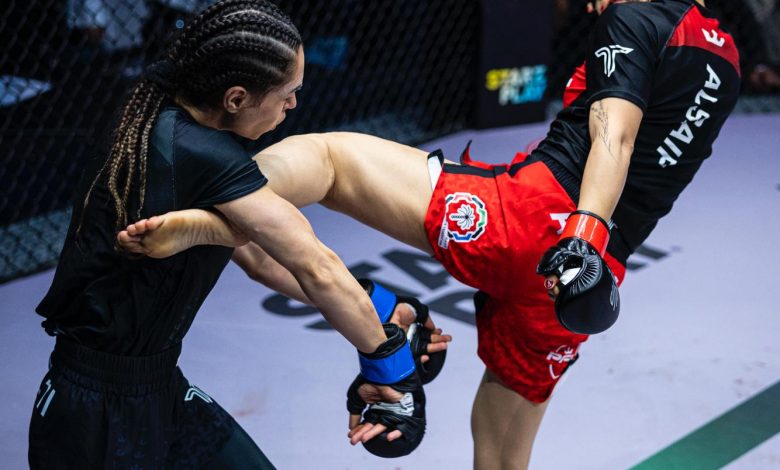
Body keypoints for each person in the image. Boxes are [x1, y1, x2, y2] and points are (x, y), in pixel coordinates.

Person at [119, 0, 741, 467]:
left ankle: (212, 204)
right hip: (574, 286)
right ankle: (380, 309)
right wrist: (588, 250)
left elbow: (616, 134)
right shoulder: (728, 57)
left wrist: (580, 232)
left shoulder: (637, 16)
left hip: (533, 222)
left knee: (331, 161)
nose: (587, 4)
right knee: (502, 460)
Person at [30, 1, 447, 468]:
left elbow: (261, 260)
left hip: (154, 385)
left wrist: (382, 309)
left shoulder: (160, 115)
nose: (293, 105)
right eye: (287, 94)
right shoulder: (202, 153)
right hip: (95, 415)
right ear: (235, 99)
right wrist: (392, 368)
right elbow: (315, 265)